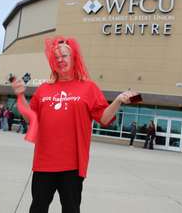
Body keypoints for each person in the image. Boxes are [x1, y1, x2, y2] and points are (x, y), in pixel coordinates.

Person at [11, 36, 139, 213]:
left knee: (71, 208)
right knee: (38, 207)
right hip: (44, 162)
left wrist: (117, 101)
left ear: (74, 58)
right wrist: (20, 96)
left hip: (73, 164)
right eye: (56, 57)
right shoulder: (44, 89)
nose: (60, 60)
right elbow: (30, 119)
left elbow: (103, 118)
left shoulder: (88, 87)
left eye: (64, 56)